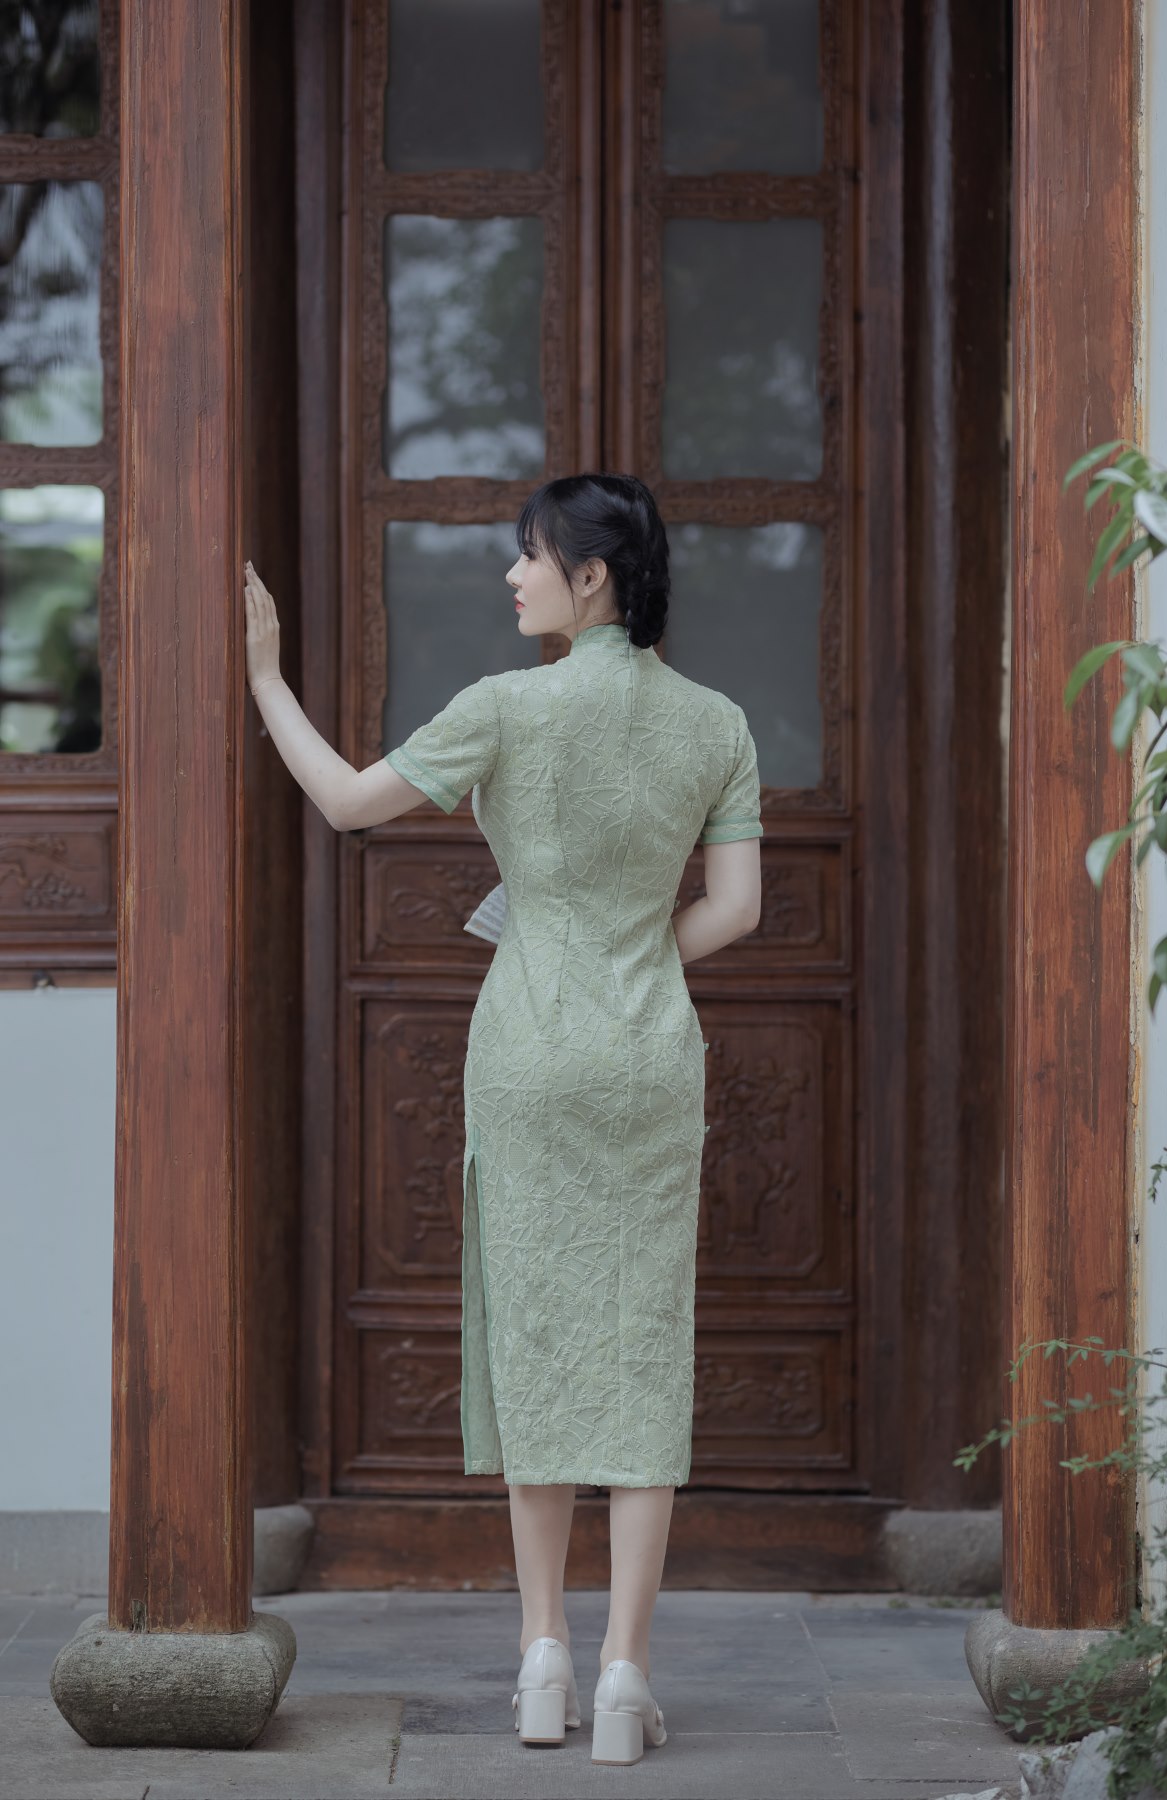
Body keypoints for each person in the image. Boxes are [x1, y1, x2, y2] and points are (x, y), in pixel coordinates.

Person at [243, 471, 763, 1767]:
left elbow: (348, 803)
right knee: (642, 1342)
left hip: (527, 1050)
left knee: (535, 1331)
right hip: (649, 1056)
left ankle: (541, 1659)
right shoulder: (717, 724)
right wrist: (631, 968)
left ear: (592, 577)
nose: (513, 575)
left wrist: (265, 680)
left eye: (531, 556)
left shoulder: (505, 708)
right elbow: (738, 910)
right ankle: (626, 1676)